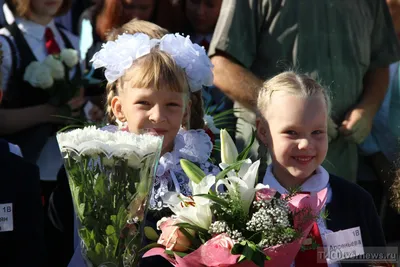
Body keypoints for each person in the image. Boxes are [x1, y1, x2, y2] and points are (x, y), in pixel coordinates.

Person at [68, 25, 218, 266]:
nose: (158, 116)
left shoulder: (201, 173)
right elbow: (88, 247)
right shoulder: (102, 170)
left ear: (186, 109)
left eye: (171, 105)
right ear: (119, 108)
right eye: (144, 103)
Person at [209, 0, 400, 182]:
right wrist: (301, 116)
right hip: (267, 164)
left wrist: (368, 108)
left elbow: (380, 64)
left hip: (340, 162)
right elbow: (222, 67)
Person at [256, 72, 386, 266]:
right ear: (263, 131)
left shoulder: (356, 201)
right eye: (291, 132)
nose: (306, 144)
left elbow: (379, 261)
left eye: (317, 132)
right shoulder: (244, 202)